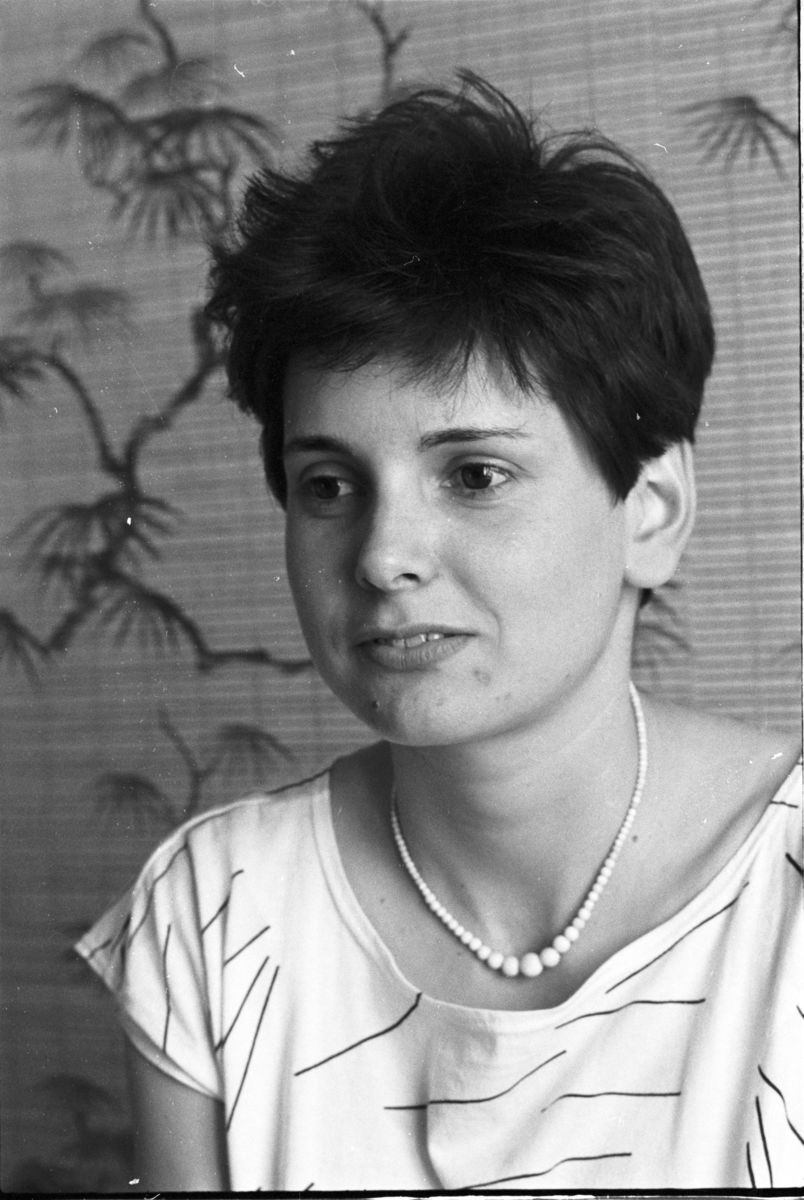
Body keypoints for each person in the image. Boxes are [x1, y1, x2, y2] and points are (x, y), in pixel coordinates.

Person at [77, 73, 802, 1191]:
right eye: (329, 485)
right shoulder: (218, 909)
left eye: (474, 474)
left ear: (651, 511)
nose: (382, 556)